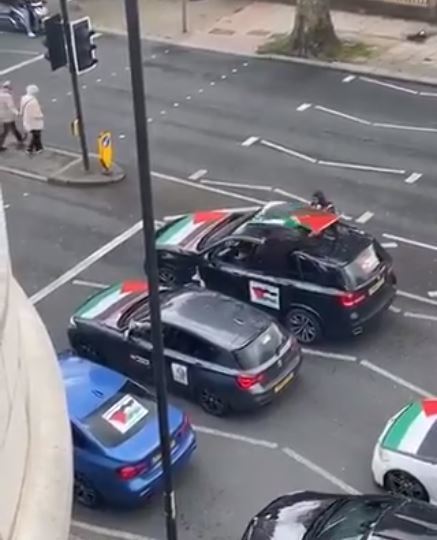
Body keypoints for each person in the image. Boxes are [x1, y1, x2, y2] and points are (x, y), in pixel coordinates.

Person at [20, 84, 44, 155]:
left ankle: (39, 148)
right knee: (36, 134)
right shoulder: (34, 101)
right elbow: (37, 114)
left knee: (35, 134)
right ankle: (30, 148)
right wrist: (41, 115)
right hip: (34, 122)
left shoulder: (24, 98)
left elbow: (22, 108)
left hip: (27, 119)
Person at [0, 81, 23, 151]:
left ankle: (19, 138)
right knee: (5, 131)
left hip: (1, 115)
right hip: (7, 116)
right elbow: (11, 107)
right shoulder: (7, 96)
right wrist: (18, 113)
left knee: (12, 126)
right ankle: (0, 144)